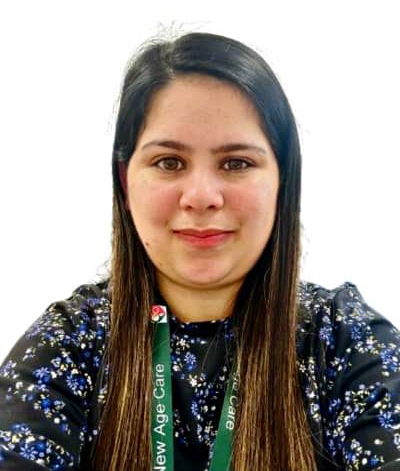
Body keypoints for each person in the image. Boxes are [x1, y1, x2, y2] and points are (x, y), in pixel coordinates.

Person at [0, 31, 400, 471]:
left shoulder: (344, 340)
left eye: (237, 163)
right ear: (125, 179)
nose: (202, 196)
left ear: (282, 180)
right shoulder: (71, 344)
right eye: (169, 162)